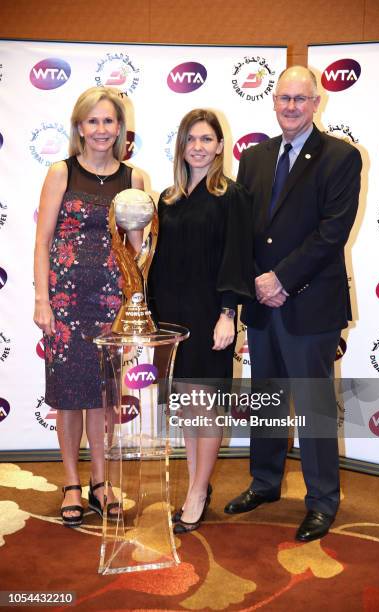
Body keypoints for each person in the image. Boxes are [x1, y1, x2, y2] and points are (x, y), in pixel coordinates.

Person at [224, 66, 362, 542]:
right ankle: (264, 483)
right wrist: (256, 284)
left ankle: (323, 501)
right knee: (266, 400)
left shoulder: (341, 158)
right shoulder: (256, 157)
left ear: (317, 102)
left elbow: (331, 233)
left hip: (310, 304)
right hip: (263, 304)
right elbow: (246, 229)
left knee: (313, 406)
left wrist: (281, 279)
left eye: (300, 99)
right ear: (274, 100)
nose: (291, 106)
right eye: (284, 97)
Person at [33, 86, 144, 527]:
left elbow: (137, 251)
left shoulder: (133, 179)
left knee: (104, 397)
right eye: (93, 121)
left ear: (120, 128)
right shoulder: (61, 172)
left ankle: (102, 483)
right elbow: (42, 243)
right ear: (80, 127)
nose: (101, 129)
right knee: (68, 399)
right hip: (64, 303)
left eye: (109, 121)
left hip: (110, 307)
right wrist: (42, 300)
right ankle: (72, 484)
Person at [149, 109, 253, 534]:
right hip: (171, 317)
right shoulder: (168, 198)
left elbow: (237, 256)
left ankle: (196, 493)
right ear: (181, 145)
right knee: (188, 408)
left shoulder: (232, 195)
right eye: (190, 138)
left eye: (206, 138)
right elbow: (156, 259)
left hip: (211, 315)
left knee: (206, 407)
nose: (197, 146)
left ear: (220, 146)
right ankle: (198, 484)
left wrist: (228, 313)